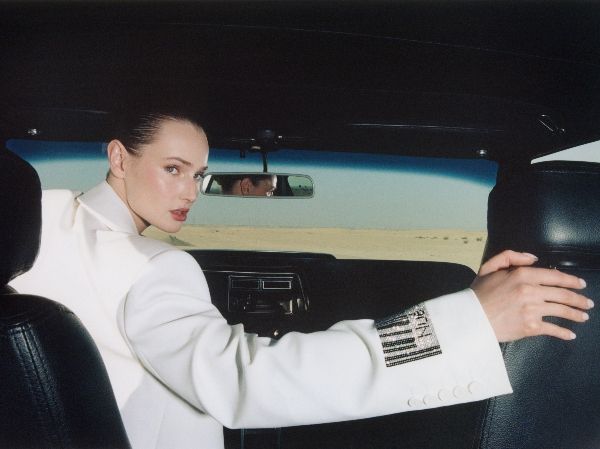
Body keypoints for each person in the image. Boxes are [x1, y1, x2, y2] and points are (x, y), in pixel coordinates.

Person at [9, 111, 592, 449]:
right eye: (173, 169)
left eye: (200, 175)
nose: (190, 192)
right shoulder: (149, 264)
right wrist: (467, 320)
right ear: (118, 157)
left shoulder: (35, 225)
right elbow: (245, 380)